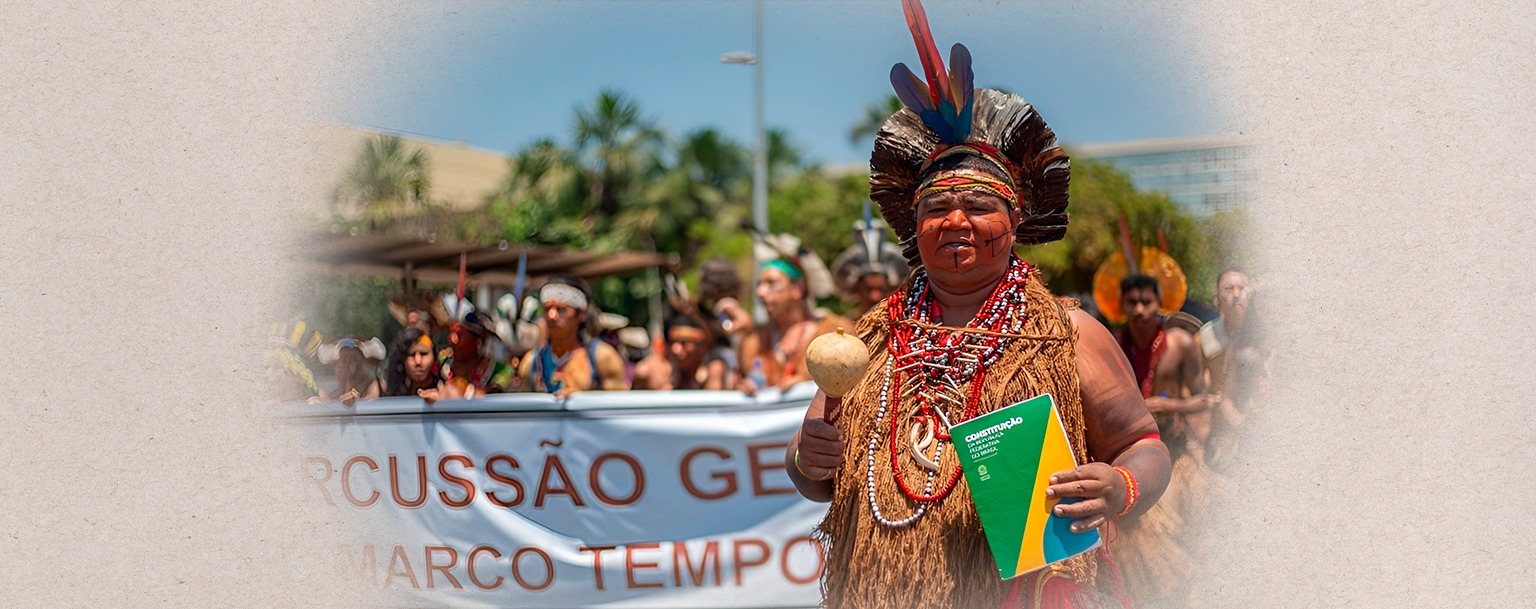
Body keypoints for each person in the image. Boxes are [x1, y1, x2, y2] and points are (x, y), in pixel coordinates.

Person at [786, 5, 1170, 606]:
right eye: (936, 208)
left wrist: (1119, 485)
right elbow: (814, 477)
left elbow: (1143, 446)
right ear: (914, 227)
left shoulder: (1065, 333)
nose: (957, 220)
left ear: (1014, 220)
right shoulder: (870, 339)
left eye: (978, 205)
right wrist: (806, 458)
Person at [1111, 272, 1211, 609]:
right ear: (1122, 306)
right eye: (1132, 302)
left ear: (1158, 304)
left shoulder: (1180, 343)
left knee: (1179, 533)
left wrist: (1168, 405)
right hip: (1132, 454)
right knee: (1143, 541)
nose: (1139, 310)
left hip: (1177, 451)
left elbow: (1203, 398)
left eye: (1146, 302)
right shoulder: (1113, 344)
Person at [736, 240, 853, 395]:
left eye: (771, 283)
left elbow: (849, 380)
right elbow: (741, 381)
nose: (761, 292)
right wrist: (746, 387)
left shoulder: (832, 331)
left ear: (797, 288)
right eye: (759, 284)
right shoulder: (754, 340)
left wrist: (806, 384)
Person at [517, 276, 628, 396]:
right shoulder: (531, 362)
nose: (552, 315)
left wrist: (581, 399)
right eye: (547, 308)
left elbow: (618, 406)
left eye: (561, 310)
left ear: (581, 313)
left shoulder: (603, 357)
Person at [631, 310, 735, 390]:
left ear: (703, 346)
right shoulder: (651, 370)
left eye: (684, 343)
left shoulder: (714, 370)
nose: (675, 349)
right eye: (672, 342)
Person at [830, 216, 908, 317]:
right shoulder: (840, 327)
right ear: (857, 289)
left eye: (881, 289)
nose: (874, 297)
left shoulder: (907, 328)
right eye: (868, 289)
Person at [442, 309, 511, 398]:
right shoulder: (440, 366)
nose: (452, 340)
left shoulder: (501, 372)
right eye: (452, 334)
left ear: (479, 342)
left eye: (460, 335)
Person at [383, 327, 459, 404]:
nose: (418, 361)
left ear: (434, 358)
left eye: (424, 354)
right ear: (402, 360)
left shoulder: (450, 392)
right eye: (411, 355)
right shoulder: (387, 392)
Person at [317, 337, 385, 407]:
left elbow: (367, 408)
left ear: (362, 362)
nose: (350, 364)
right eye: (345, 359)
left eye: (354, 358)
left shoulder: (374, 385)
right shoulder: (334, 393)